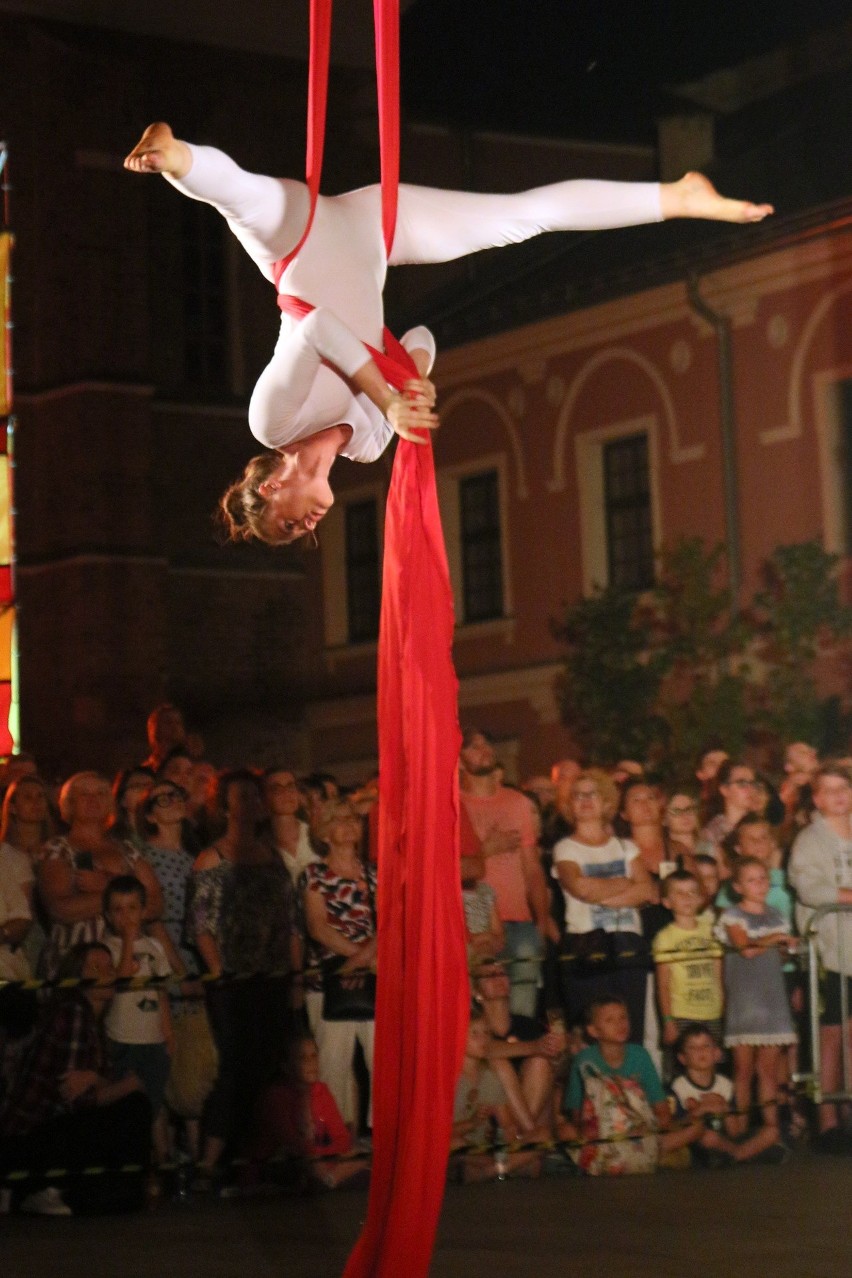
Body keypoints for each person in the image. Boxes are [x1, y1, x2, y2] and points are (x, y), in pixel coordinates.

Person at [124, 123, 772, 545]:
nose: (307, 528)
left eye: (287, 523)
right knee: (523, 219)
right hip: (369, 237)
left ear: (271, 486)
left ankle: (173, 153)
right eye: (300, 533)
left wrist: (388, 397)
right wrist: (418, 383)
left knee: (242, 198)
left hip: (298, 246)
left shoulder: (272, 424)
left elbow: (318, 324)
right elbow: (420, 335)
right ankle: (678, 196)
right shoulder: (372, 446)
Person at [187, 769, 298, 1185]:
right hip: (234, 981)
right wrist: (221, 974)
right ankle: (210, 1161)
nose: (250, 804)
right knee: (235, 1066)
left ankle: (254, 1158)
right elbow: (201, 925)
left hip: (271, 976)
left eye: (255, 796)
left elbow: (288, 921)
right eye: (241, 797)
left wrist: (293, 976)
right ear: (224, 805)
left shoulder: (270, 857)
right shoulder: (212, 859)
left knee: (269, 1066)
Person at [0, 941, 150, 1216]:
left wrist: (97, 1079)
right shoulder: (75, 1011)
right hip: (28, 1141)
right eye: (95, 967)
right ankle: (38, 1187)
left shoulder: (94, 1023)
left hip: (40, 1137)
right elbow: (75, 1101)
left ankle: (85, 1191)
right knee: (134, 1106)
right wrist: (127, 1086)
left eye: (109, 966)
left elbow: (91, 1086)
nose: (106, 972)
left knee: (131, 1106)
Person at [557, 997, 716, 1175]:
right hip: (602, 1136)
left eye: (623, 1018)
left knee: (696, 1126)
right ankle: (637, 1160)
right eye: (610, 1020)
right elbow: (579, 1117)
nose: (620, 1024)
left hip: (641, 1134)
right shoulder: (584, 1061)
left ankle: (626, 1160)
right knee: (565, 1132)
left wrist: (642, 1130)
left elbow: (662, 1112)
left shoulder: (640, 1056)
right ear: (593, 1030)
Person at [552, 769, 655, 1041]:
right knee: (593, 1034)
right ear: (569, 805)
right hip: (587, 946)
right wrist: (624, 883)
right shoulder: (566, 848)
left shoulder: (625, 846)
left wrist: (601, 894)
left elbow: (646, 890)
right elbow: (579, 888)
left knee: (629, 1030)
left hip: (628, 943)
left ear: (607, 802)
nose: (586, 800)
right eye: (578, 795)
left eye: (593, 793)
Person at [459, 729, 557, 1017]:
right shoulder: (453, 804)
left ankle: (522, 1050)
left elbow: (532, 868)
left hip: (519, 920)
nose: (483, 749)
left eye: (486, 743)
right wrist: (486, 849)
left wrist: (540, 919)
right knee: (483, 1006)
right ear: (460, 761)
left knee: (523, 1004)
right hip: (475, 921)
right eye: (473, 747)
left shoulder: (518, 803)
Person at [36, 771, 165, 979]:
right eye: (84, 794)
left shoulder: (128, 850)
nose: (93, 799)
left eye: (101, 793)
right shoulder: (57, 849)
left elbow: (156, 904)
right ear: (69, 803)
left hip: (127, 960)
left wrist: (106, 885)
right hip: (75, 963)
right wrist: (126, 898)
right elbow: (61, 909)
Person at [301, 797, 377, 1129]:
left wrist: (364, 958)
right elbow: (317, 926)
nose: (349, 825)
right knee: (333, 1065)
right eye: (339, 820)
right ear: (325, 832)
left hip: (375, 974)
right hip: (330, 979)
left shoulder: (374, 873)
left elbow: (391, 922)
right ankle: (333, 1136)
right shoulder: (315, 874)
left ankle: (382, 1135)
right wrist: (356, 957)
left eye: (352, 819)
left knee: (382, 1062)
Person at [788, 764, 852, 1148]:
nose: (838, 796)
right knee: (831, 1034)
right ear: (816, 798)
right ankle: (827, 1120)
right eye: (828, 790)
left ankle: (849, 1112)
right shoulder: (809, 839)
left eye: (843, 788)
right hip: (831, 950)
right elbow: (811, 887)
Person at [715, 856, 796, 1140]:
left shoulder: (776, 915)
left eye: (763, 877)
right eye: (752, 879)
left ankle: (770, 1129)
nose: (760, 884)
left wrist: (785, 946)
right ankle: (740, 1127)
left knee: (769, 1071)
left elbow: (779, 954)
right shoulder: (732, 916)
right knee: (743, 1069)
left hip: (771, 999)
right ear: (738, 886)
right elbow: (746, 949)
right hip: (746, 1001)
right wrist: (776, 939)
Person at [102, 876, 173, 1166]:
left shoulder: (155, 947)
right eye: (117, 909)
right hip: (122, 1037)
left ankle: (162, 1161)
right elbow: (119, 979)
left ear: (144, 911)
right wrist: (129, 941)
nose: (126, 916)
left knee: (155, 1105)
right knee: (127, 1106)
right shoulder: (107, 947)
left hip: (153, 1039)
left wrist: (168, 1032)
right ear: (108, 915)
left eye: (132, 908)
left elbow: (161, 989)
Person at [247, 1032, 370, 1191]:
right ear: (287, 1065)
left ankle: (330, 1179)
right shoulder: (276, 1096)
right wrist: (325, 1155)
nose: (311, 1063)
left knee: (361, 1155)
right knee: (308, 1161)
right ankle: (330, 1179)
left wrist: (331, 1155)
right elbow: (291, 1142)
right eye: (303, 1058)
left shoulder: (321, 1091)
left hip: (323, 1162)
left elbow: (341, 1137)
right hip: (281, 1162)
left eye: (314, 1056)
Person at [668, 1024, 783, 1166]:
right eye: (693, 1048)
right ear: (682, 1058)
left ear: (717, 1053)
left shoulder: (725, 1085)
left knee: (772, 1131)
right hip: (700, 1143)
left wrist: (723, 1107)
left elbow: (735, 1132)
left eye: (706, 1046)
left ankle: (736, 1155)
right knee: (707, 1137)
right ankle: (742, 1155)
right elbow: (674, 1126)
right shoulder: (678, 1087)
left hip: (728, 1140)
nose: (701, 1052)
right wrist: (701, 1109)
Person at [652, 871, 723, 1072]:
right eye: (680, 893)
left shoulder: (712, 931)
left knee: (712, 1068)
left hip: (712, 1013)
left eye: (692, 892)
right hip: (682, 1014)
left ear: (701, 898)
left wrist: (723, 1010)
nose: (687, 898)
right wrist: (668, 1021)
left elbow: (719, 976)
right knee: (681, 1071)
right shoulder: (665, 937)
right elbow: (663, 985)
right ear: (667, 902)